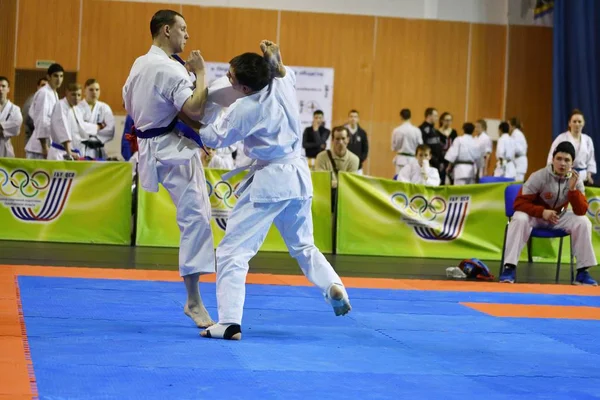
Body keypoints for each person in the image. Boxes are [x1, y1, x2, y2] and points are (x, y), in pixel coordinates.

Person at [198, 40, 351, 341]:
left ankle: (229, 322)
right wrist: (274, 61)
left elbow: (214, 138)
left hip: (271, 179)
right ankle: (333, 285)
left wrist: (204, 110)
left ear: (243, 88)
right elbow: (282, 71)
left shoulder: (246, 108)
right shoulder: (282, 83)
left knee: (233, 251)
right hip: (299, 177)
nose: (227, 81)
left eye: (231, 78)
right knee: (304, 246)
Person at [122, 9, 215, 328]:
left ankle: (194, 299)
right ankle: (193, 300)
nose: (187, 36)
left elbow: (128, 105)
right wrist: (201, 73)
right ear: (166, 31)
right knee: (197, 219)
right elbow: (195, 108)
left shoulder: (139, 63)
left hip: (150, 148)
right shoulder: (171, 71)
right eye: (183, 29)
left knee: (194, 220)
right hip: (173, 151)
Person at [499, 141, 597, 285]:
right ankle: (509, 268)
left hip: (559, 217)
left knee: (583, 222)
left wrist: (572, 190)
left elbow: (581, 211)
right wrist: (542, 212)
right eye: (559, 159)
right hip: (536, 217)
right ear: (553, 159)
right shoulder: (539, 176)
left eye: (566, 160)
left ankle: (582, 272)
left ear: (572, 163)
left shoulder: (576, 180)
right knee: (519, 217)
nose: (562, 163)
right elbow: (519, 203)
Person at [25, 63, 64, 159]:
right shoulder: (44, 93)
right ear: (48, 77)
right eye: (55, 76)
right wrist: (44, 147)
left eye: (61, 76)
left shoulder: (54, 93)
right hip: (39, 147)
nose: (58, 79)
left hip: (47, 143)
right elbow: (41, 120)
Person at [48, 83, 97, 160]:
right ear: (67, 93)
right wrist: (69, 151)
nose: (76, 98)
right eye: (73, 95)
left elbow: (81, 128)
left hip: (73, 152)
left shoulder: (76, 109)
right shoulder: (60, 105)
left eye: (79, 95)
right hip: (61, 152)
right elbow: (62, 128)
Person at [547, 109, 595, 185]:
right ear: (569, 123)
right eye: (574, 121)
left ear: (583, 123)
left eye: (579, 121)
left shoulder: (588, 140)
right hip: (564, 174)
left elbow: (591, 160)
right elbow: (551, 157)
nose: (577, 124)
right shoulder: (561, 138)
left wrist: (589, 175)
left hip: (583, 176)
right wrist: (554, 173)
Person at [78, 79, 115, 159]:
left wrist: (90, 133)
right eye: (91, 89)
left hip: (99, 149)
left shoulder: (105, 108)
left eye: (97, 90)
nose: (94, 92)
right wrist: (99, 126)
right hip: (81, 150)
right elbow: (78, 127)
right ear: (85, 91)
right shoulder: (78, 107)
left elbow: (110, 130)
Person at [391, 108, 422, 174]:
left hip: (401, 160)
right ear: (410, 117)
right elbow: (420, 146)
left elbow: (394, 147)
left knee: (400, 180)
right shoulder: (416, 130)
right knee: (411, 180)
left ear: (401, 117)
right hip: (413, 159)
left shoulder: (397, 130)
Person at [0, 76, 23, 158]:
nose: (0, 89)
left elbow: (16, 127)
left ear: (8, 89)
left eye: (3, 86)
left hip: (6, 148)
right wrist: (5, 126)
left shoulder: (15, 109)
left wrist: (2, 126)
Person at [22, 77, 47, 144]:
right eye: (43, 85)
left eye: (47, 86)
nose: (45, 88)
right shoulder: (31, 100)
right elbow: (27, 119)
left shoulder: (49, 100)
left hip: (46, 140)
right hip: (33, 138)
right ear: (38, 87)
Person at [344, 109, 368, 174]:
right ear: (348, 118)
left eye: (355, 117)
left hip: (358, 166)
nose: (353, 119)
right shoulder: (343, 131)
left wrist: (359, 160)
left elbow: (365, 150)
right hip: (344, 165)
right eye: (351, 116)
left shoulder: (362, 133)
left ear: (358, 119)